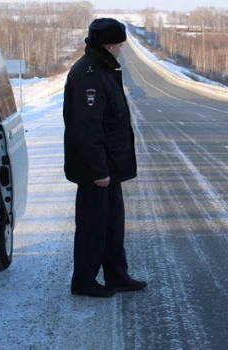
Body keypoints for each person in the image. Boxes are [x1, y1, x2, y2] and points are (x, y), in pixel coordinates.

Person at [63, 18, 147, 297]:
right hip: (96, 171)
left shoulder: (101, 67)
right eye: (120, 45)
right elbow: (87, 128)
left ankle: (117, 276)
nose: (121, 50)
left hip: (110, 167)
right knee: (92, 227)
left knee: (112, 226)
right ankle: (84, 282)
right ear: (108, 45)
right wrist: (98, 170)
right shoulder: (90, 72)